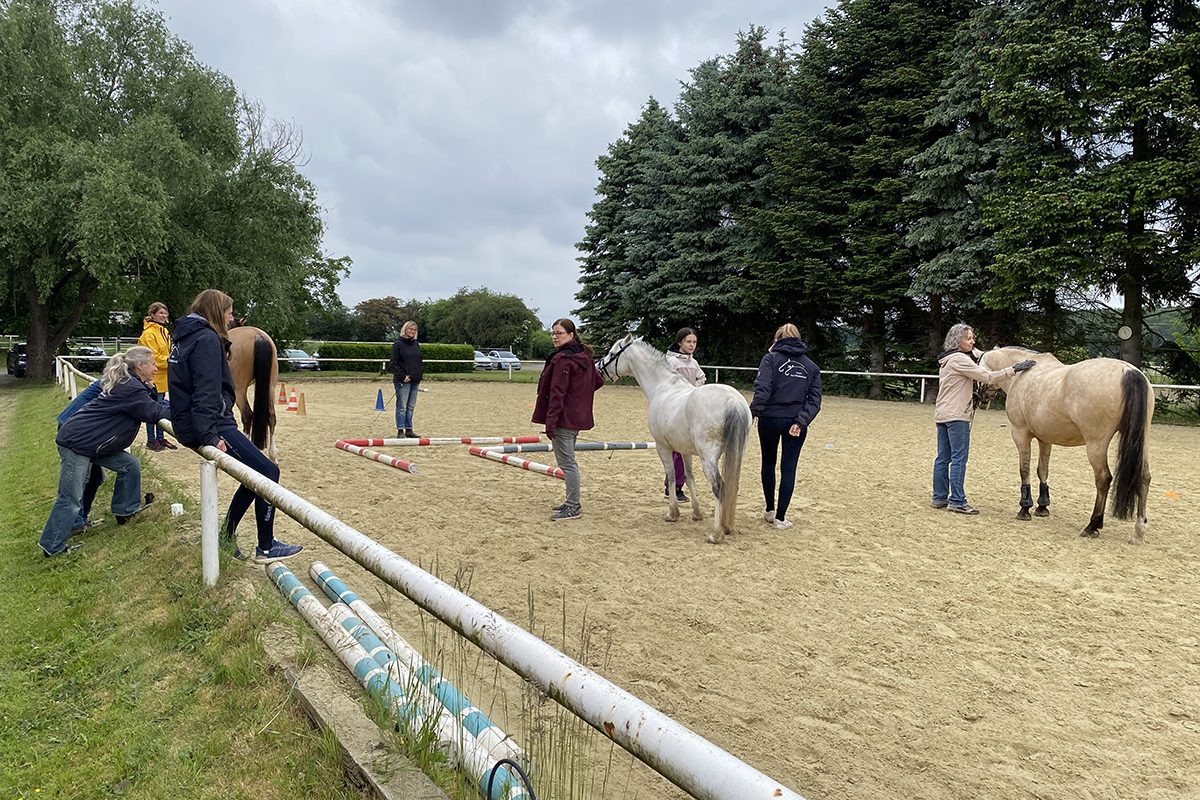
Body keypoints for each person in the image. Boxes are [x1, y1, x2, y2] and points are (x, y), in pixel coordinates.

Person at [168, 289, 303, 563]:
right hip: (212, 424)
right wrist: (211, 434)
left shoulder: (182, 338)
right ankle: (265, 545)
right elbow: (206, 390)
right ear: (217, 311)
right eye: (229, 312)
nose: (232, 318)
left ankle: (227, 538)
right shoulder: (206, 338)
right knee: (268, 472)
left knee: (255, 474)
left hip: (195, 421)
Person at [39, 347, 166, 558]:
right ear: (140, 366)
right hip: (77, 443)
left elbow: (147, 405)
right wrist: (185, 415)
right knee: (70, 497)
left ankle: (125, 512)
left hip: (94, 444)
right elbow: (152, 411)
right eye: (153, 364)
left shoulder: (131, 383)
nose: (156, 368)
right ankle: (52, 546)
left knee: (129, 465)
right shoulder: (130, 386)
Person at [933, 323, 1036, 514]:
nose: (973, 341)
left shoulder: (946, 360)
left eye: (973, 338)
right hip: (958, 417)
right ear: (958, 341)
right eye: (969, 338)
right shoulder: (960, 360)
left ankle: (939, 497)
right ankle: (956, 500)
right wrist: (1014, 369)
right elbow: (988, 377)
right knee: (958, 459)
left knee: (943, 458)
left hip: (943, 414)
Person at [750, 323, 823, 530]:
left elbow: (762, 389)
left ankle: (770, 509)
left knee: (768, 463)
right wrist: (801, 421)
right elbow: (814, 400)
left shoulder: (770, 359)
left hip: (770, 419)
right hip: (795, 422)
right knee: (788, 468)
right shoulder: (811, 366)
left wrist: (754, 412)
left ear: (777, 339)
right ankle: (781, 518)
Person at [532, 318, 605, 521]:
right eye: (553, 333)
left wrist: (551, 421)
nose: (555, 337)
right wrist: (579, 396)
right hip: (576, 416)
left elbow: (557, 393)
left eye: (559, 333)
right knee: (569, 461)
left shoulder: (563, 360)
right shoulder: (584, 357)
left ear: (571, 335)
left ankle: (573, 506)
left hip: (564, 418)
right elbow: (597, 381)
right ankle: (571, 503)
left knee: (567, 463)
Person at [662, 327, 706, 501]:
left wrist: (696, 392)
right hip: (675, 409)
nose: (692, 345)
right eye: (688, 341)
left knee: (683, 452)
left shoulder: (693, 362)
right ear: (680, 342)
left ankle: (674, 486)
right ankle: (674, 488)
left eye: (694, 342)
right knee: (678, 452)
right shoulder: (671, 361)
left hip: (690, 408)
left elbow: (701, 378)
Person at [137, 301, 176, 451]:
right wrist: (171, 361)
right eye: (160, 313)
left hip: (164, 377)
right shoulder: (149, 334)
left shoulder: (164, 332)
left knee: (160, 407)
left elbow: (169, 351)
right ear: (152, 314)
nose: (164, 315)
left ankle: (160, 437)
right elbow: (152, 357)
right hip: (153, 376)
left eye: (165, 313)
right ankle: (151, 440)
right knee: (153, 409)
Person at [390, 320, 424, 439]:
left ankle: (409, 429)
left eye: (414, 330)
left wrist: (418, 375)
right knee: (402, 406)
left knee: (410, 406)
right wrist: (402, 376)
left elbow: (419, 362)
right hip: (402, 381)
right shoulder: (398, 344)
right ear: (405, 329)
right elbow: (393, 363)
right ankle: (400, 430)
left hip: (415, 380)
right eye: (410, 329)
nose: (412, 331)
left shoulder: (416, 344)